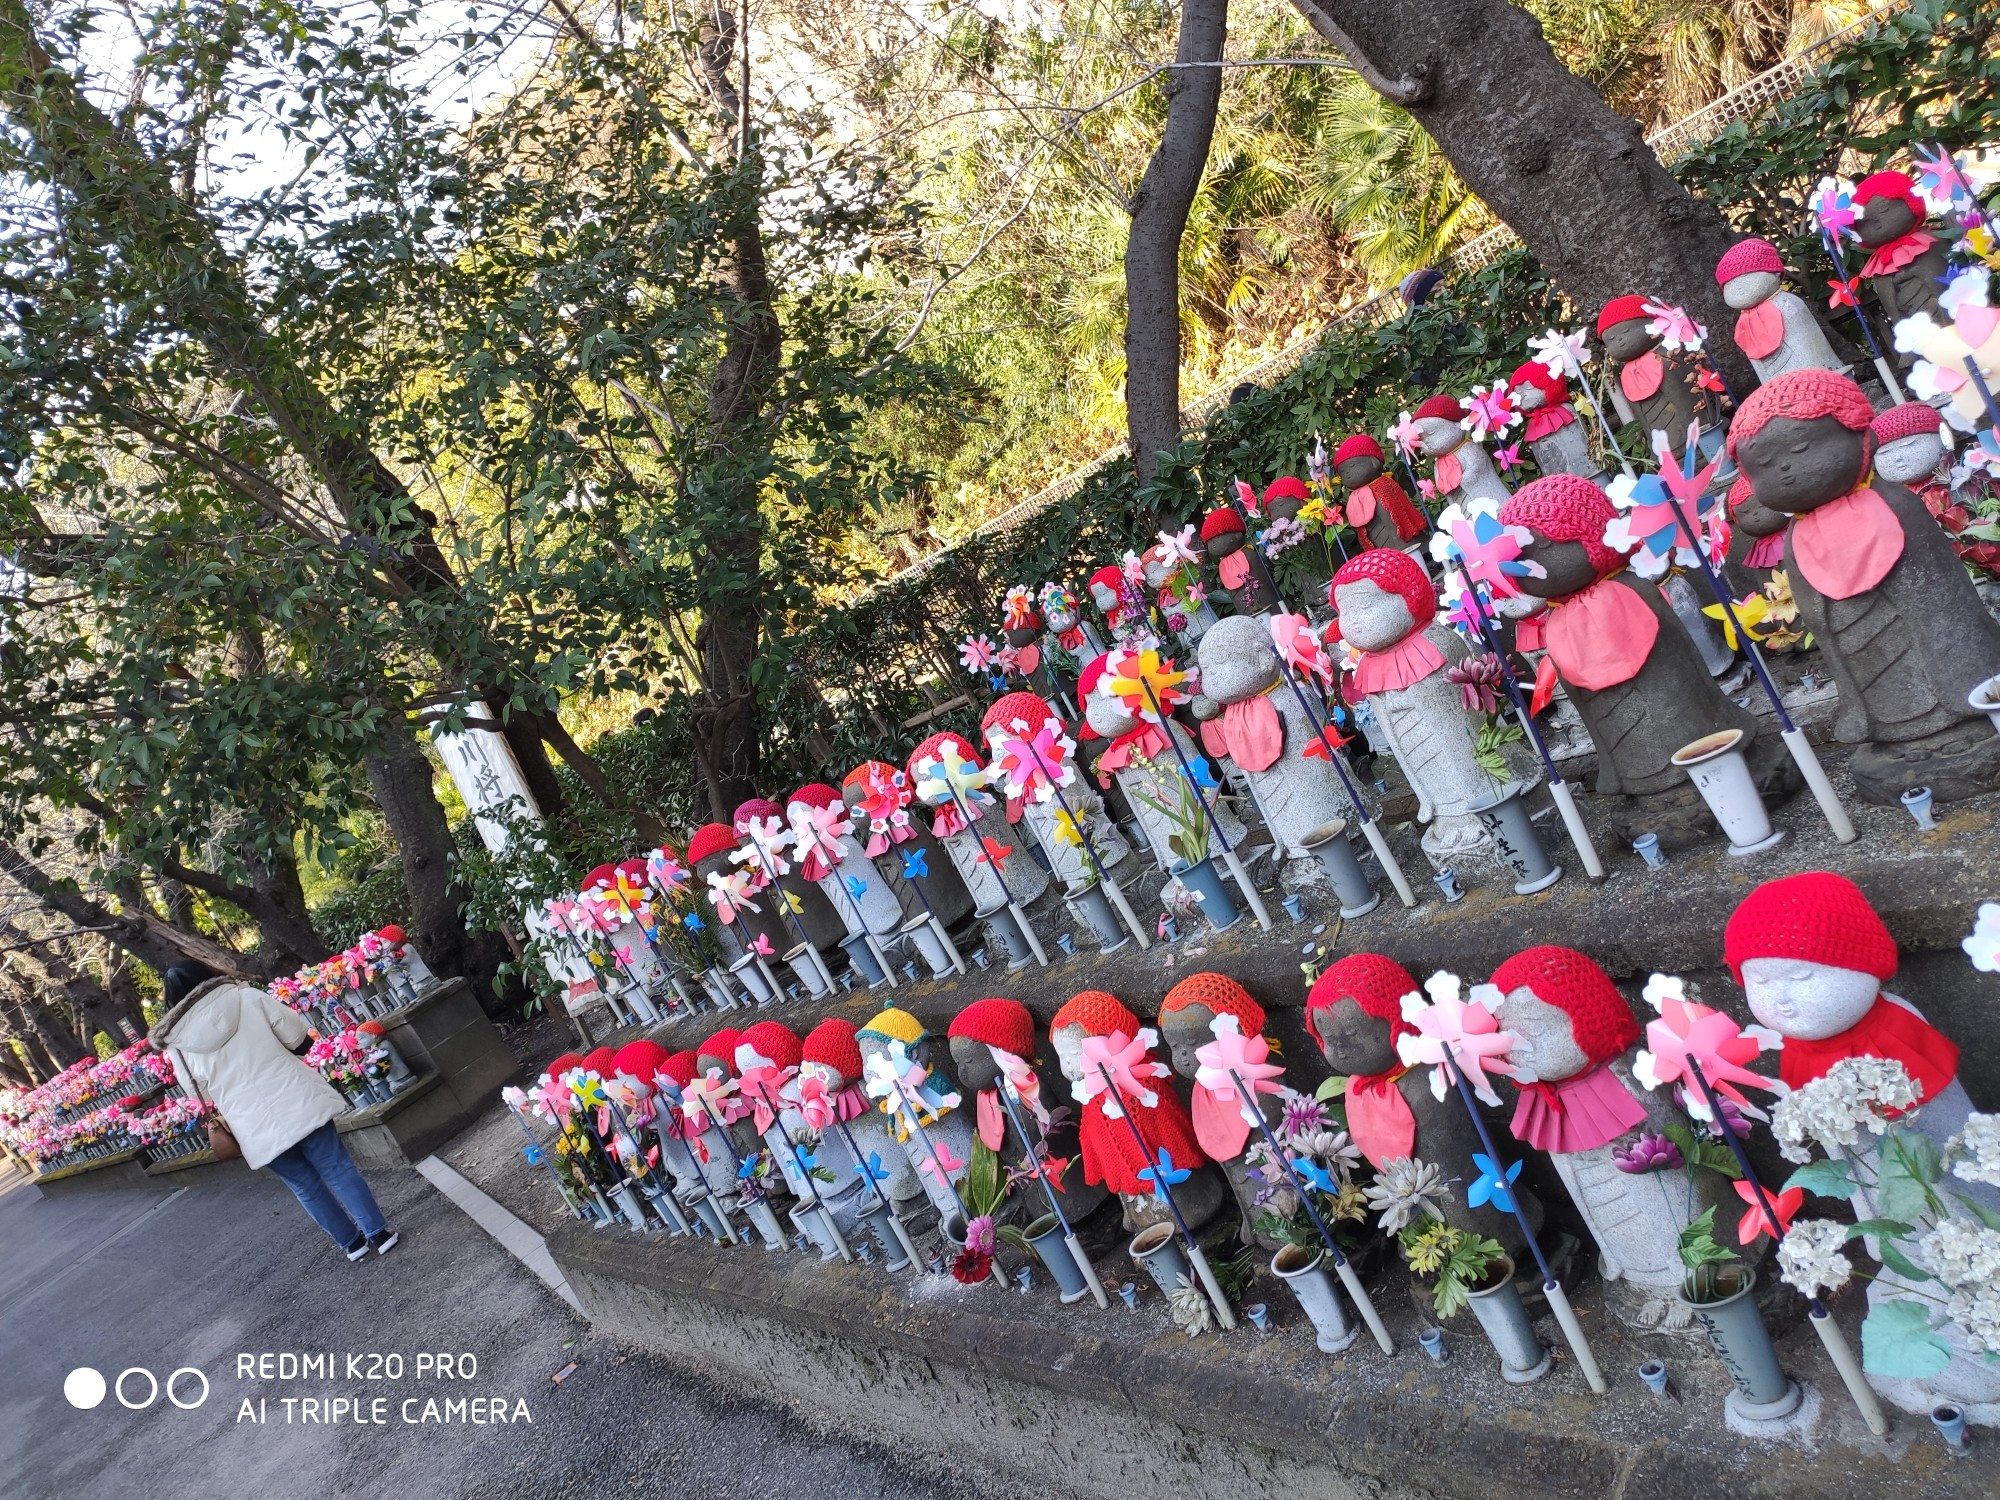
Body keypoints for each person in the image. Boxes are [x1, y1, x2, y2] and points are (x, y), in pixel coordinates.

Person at [151, 962, 398, 1261]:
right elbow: (296, 1037)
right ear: (207, 976)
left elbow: (198, 1093)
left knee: (304, 1186)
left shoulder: (177, 1046)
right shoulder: (246, 998)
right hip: (297, 1096)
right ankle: (378, 1233)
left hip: (250, 1122)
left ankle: (352, 1244)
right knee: (336, 1167)